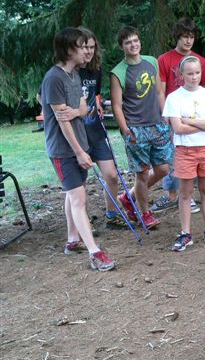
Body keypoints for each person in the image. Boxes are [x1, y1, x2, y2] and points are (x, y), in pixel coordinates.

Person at [40, 27, 115, 271]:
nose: (87, 51)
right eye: (82, 47)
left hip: (80, 143)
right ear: (69, 50)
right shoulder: (54, 78)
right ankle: (94, 252)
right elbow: (62, 121)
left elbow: (83, 108)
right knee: (79, 198)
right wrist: (80, 152)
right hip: (64, 150)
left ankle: (72, 240)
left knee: (73, 194)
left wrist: (76, 112)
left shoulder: (75, 74)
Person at [162, 56, 205, 251]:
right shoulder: (174, 98)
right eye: (190, 73)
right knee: (185, 193)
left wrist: (189, 121)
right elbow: (178, 128)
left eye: (197, 73)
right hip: (185, 150)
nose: (194, 77)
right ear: (181, 75)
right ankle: (185, 233)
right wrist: (203, 124)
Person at [110, 26, 172, 228]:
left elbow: (159, 92)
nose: (133, 45)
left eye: (135, 40)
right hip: (136, 128)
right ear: (122, 46)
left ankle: (128, 197)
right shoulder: (118, 72)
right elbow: (117, 105)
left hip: (157, 125)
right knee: (142, 173)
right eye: (128, 42)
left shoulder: (151, 62)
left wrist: (165, 116)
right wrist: (126, 130)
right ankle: (144, 213)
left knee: (163, 169)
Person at [152, 17, 205, 215]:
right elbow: (160, 90)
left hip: (197, 116)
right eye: (184, 36)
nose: (188, 41)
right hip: (174, 115)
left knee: (197, 153)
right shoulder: (164, 59)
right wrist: (167, 115)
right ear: (177, 37)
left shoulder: (200, 61)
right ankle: (173, 195)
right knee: (174, 155)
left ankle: (188, 194)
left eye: (191, 37)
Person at [76, 27, 125, 228]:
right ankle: (83, 223)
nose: (89, 51)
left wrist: (98, 103)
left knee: (111, 175)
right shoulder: (66, 71)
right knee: (80, 182)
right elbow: (43, 97)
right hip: (77, 133)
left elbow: (94, 94)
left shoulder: (95, 69)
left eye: (92, 47)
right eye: (85, 47)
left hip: (95, 130)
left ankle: (111, 215)